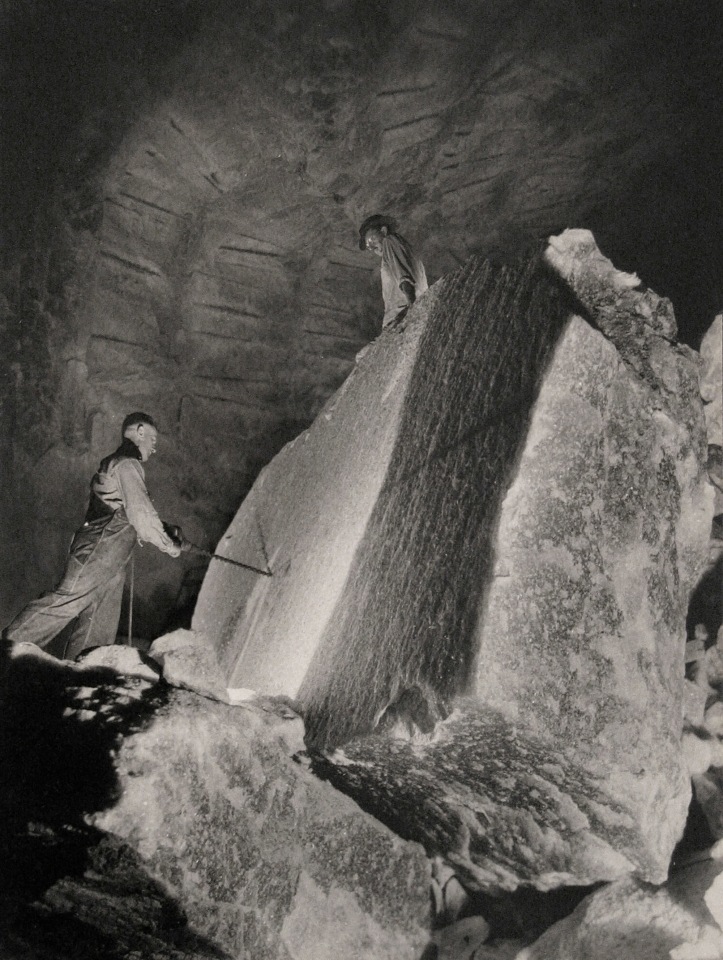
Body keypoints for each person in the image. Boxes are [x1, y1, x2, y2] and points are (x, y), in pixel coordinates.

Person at [2, 412, 182, 659]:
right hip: (100, 546)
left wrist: (164, 529)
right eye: (152, 439)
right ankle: (8, 646)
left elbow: (130, 512)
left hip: (110, 555)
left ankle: (84, 672)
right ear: (140, 431)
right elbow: (141, 516)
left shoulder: (122, 465)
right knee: (68, 600)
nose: (154, 447)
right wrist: (170, 545)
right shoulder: (127, 463)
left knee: (100, 619)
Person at [359, 214, 428, 328]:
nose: (371, 248)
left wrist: (412, 312)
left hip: (400, 316)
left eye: (372, 241)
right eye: (369, 247)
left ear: (384, 231)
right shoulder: (400, 247)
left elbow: (405, 280)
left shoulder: (390, 241)